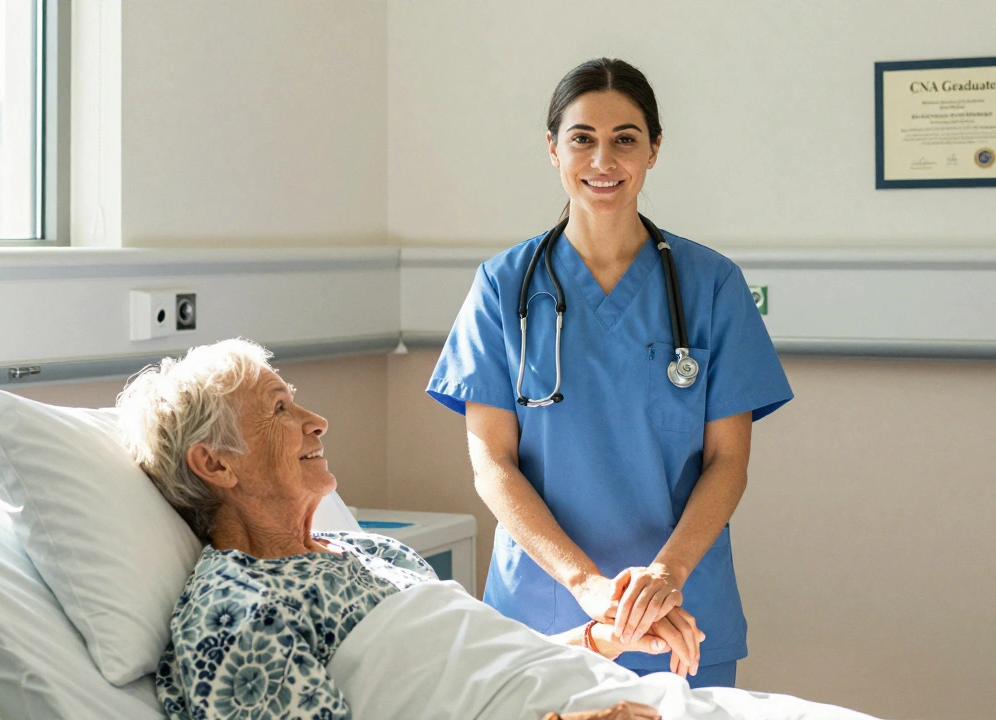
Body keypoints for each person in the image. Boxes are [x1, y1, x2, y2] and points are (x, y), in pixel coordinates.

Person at [427, 58, 793, 688]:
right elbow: (491, 463)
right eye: (582, 139)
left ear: (654, 148)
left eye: (625, 138)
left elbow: (728, 460)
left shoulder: (710, 286)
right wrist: (585, 584)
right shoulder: (502, 287)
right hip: (544, 613)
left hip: (681, 615)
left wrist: (667, 577)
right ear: (552, 149)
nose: (603, 160)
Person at [117, 339, 697, 720]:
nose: (317, 422)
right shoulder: (237, 612)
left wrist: (606, 637)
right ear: (216, 464)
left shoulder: (367, 550)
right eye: (279, 410)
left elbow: (480, 672)